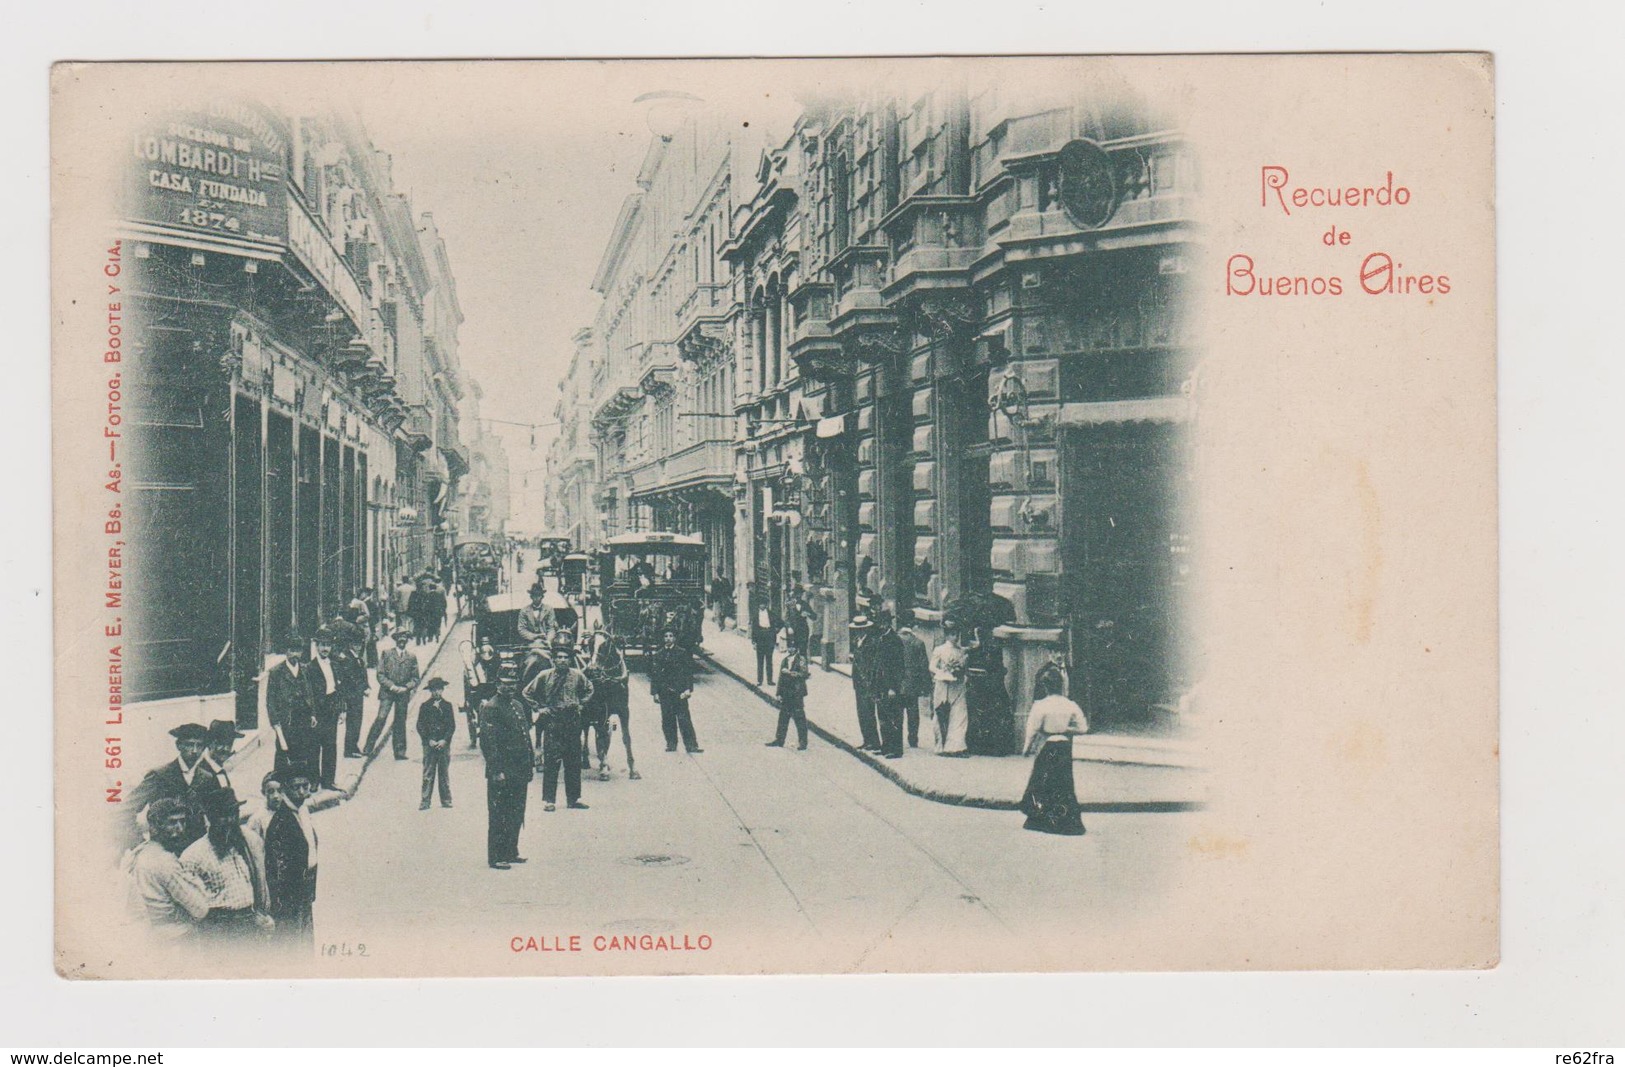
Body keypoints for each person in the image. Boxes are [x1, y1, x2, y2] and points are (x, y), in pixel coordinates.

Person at [180, 789, 272, 943]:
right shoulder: (193, 857)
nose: (230, 820)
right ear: (210, 818)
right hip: (219, 931)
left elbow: (259, 885)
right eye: (223, 816)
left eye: (234, 813)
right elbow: (190, 907)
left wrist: (261, 916)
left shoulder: (247, 842)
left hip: (251, 924)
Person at [124, 797, 215, 944]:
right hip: (176, 939)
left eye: (183, 821)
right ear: (154, 827)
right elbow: (200, 909)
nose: (180, 828)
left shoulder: (141, 852)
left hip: (152, 936)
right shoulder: (164, 861)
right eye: (172, 822)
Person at [122, 722, 223, 852]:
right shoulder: (160, 775)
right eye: (189, 744)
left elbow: (218, 814)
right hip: (164, 851)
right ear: (179, 745)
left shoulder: (207, 778)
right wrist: (139, 843)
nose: (194, 751)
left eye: (199, 746)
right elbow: (124, 810)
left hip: (197, 852)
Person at [525, 632, 595, 812]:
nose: (562, 660)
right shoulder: (544, 675)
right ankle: (549, 800)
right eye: (559, 657)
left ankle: (573, 798)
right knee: (552, 762)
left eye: (566, 657)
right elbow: (527, 692)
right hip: (553, 722)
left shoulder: (578, 675)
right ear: (554, 660)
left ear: (570, 659)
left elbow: (589, 689)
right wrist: (539, 708)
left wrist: (581, 704)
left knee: (573, 762)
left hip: (572, 721)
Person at [1019, 670, 1089, 835]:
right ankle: (1065, 821)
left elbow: (1032, 730)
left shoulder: (1041, 705)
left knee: (1043, 783)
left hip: (1048, 746)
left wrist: (1026, 749)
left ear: (1045, 686)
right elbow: (1083, 728)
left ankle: (1040, 819)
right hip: (1064, 747)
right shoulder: (1070, 705)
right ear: (1061, 685)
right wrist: (1066, 729)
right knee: (1063, 785)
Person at [479, 675, 534, 870]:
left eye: (513, 683)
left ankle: (511, 851)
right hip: (503, 771)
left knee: (516, 812)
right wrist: (496, 770)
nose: (509, 687)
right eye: (505, 684)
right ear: (497, 685)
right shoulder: (492, 707)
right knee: (499, 814)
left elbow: (525, 736)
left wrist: (530, 764)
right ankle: (496, 856)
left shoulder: (517, 705)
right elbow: (489, 742)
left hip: (519, 769)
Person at [264, 772, 319, 952]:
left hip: (304, 891)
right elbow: (277, 868)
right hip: (289, 899)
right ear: (286, 789)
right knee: (293, 947)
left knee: (304, 942)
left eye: (305, 786)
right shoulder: (281, 820)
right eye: (296, 787)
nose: (302, 792)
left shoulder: (302, 811)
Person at [585, 629, 636, 780]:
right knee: (602, 723)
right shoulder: (596, 666)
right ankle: (603, 762)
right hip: (603, 695)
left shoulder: (619, 666)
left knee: (625, 729)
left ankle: (631, 762)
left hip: (617, 693)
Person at [266, 632, 317, 779]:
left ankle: (300, 786)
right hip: (287, 721)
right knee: (283, 754)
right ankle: (280, 783)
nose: (295, 654)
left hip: (304, 719)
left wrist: (313, 713)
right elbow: (270, 701)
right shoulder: (276, 673)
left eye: (298, 651)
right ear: (286, 651)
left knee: (303, 754)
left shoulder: (305, 670)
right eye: (292, 650)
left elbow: (310, 693)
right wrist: (276, 724)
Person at [366, 630, 420, 759]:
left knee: (400, 721)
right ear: (396, 640)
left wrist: (406, 687)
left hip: (402, 694)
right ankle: (368, 747)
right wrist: (391, 686)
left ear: (407, 640)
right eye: (400, 638)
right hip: (387, 692)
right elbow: (380, 674)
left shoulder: (411, 657)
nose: (402, 640)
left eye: (404, 638)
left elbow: (415, 678)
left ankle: (399, 752)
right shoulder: (387, 654)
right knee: (381, 718)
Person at [864, 609, 909, 759]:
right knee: (882, 717)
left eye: (882, 623)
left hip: (890, 686)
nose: (880, 625)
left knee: (893, 718)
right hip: (881, 684)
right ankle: (886, 746)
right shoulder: (881, 638)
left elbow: (897, 667)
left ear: (887, 623)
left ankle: (895, 749)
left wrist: (892, 687)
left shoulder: (894, 640)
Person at [648, 629, 701, 754]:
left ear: (675, 638)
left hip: (679, 692)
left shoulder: (682, 653)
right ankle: (671, 743)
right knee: (667, 719)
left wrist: (688, 689)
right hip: (665, 692)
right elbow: (654, 675)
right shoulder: (659, 654)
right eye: (665, 636)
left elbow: (688, 672)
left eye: (671, 636)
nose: (668, 638)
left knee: (684, 719)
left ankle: (691, 745)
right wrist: (655, 692)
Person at [307, 628, 342, 790]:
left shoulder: (335, 664)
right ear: (316, 646)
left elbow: (339, 688)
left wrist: (342, 710)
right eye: (322, 645)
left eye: (328, 645)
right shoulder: (310, 667)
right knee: (314, 746)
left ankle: (328, 780)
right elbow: (309, 694)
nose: (325, 649)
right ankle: (314, 780)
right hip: (317, 711)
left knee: (330, 745)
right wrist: (312, 713)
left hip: (332, 709)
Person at [930, 622, 971, 757]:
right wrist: (943, 672)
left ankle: (956, 746)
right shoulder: (939, 650)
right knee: (942, 713)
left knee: (960, 715)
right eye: (952, 634)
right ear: (947, 635)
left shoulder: (961, 651)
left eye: (957, 635)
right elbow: (932, 667)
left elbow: (964, 669)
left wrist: (960, 673)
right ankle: (941, 746)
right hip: (943, 685)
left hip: (957, 686)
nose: (955, 638)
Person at [333, 616, 371, 760]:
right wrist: (363, 688)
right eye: (356, 644)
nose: (358, 646)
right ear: (350, 644)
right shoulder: (348, 659)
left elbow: (362, 674)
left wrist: (367, 685)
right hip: (352, 694)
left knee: (357, 721)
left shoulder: (356, 657)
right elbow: (352, 677)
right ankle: (349, 749)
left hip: (357, 694)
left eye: (360, 643)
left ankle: (353, 746)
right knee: (353, 722)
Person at [416, 677, 456, 811]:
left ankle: (446, 799)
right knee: (428, 772)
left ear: (442, 690)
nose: (436, 692)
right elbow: (420, 725)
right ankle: (425, 800)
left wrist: (445, 740)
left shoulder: (447, 706)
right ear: (430, 691)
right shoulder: (425, 706)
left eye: (439, 689)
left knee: (444, 773)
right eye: (434, 690)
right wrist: (429, 740)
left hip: (443, 745)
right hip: (429, 745)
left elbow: (451, 726)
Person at [766, 636, 810, 750]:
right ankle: (779, 739)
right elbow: (780, 678)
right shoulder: (785, 660)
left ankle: (803, 742)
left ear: (796, 648)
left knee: (799, 717)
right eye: (789, 647)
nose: (790, 649)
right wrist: (778, 692)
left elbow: (804, 674)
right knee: (783, 717)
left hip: (796, 692)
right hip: (786, 692)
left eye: (792, 647)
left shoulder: (801, 659)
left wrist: (791, 673)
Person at [897, 617, 932, 749]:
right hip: (913, 684)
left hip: (897, 683)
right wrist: (926, 686)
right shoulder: (918, 642)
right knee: (913, 713)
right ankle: (913, 739)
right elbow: (924, 666)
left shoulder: (894, 640)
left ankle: (897, 738)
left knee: (898, 713)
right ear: (913, 627)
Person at [847, 614, 881, 752]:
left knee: (869, 712)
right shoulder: (857, 641)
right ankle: (866, 740)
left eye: (861, 629)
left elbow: (873, 664)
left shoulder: (872, 643)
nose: (858, 631)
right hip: (859, 683)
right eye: (857, 629)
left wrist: (871, 681)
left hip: (868, 682)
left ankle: (874, 742)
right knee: (861, 712)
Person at [463, 638, 501, 748]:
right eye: (483, 652)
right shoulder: (477, 665)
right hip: (482, 690)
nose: (486, 655)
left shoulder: (496, 663)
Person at [749, 584, 778, 686]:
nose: (762, 606)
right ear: (758, 605)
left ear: (766, 605)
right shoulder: (756, 616)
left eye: (764, 604)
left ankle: (770, 680)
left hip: (769, 637)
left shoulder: (771, 614)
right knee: (760, 661)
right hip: (760, 638)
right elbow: (754, 629)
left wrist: (775, 635)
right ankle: (759, 680)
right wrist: (754, 641)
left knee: (769, 661)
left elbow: (776, 624)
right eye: (761, 604)